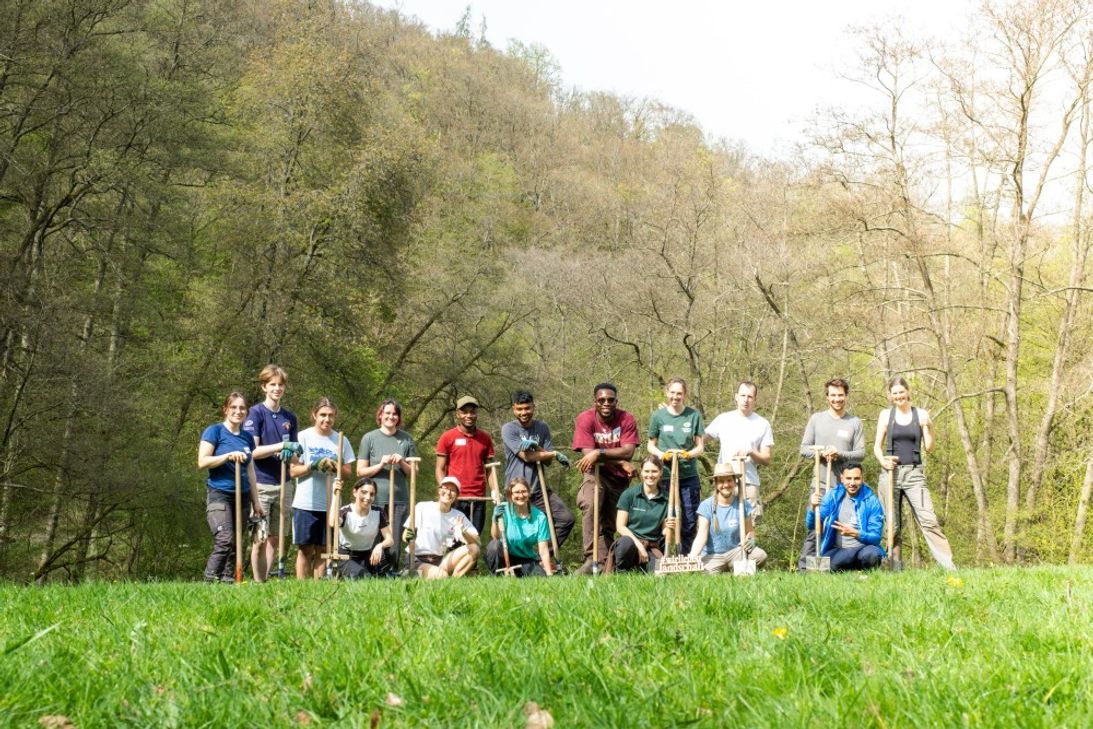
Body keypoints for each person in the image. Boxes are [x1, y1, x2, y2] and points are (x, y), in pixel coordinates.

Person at [873, 376, 956, 570]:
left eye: (902, 392)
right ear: (890, 395)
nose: (899, 396)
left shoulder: (920, 414)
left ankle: (948, 567)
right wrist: (882, 460)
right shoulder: (886, 415)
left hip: (914, 475)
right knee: (892, 525)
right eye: (895, 393)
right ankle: (894, 568)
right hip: (890, 475)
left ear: (908, 391)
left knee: (929, 520)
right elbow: (877, 447)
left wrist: (930, 426)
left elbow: (929, 447)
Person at [796, 377, 866, 571]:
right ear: (827, 396)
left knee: (841, 528)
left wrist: (840, 453)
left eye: (841, 395)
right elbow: (803, 449)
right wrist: (821, 451)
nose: (837, 399)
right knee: (815, 526)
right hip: (820, 483)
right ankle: (805, 569)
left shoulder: (854, 422)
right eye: (833, 395)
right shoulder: (816, 420)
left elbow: (860, 453)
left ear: (846, 396)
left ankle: (837, 567)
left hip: (846, 487)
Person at [572, 383, 640, 574]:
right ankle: (590, 558)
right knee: (591, 503)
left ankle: (605, 564)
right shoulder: (585, 419)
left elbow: (628, 451)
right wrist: (619, 462)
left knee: (611, 522)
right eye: (601, 400)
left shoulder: (626, 418)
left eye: (611, 400)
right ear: (595, 402)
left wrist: (599, 451)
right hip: (595, 473)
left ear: (616, 401)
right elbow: (588, 455)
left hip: (619, 479)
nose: (606, 403)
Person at [198, 392, 266, 583]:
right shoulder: (215, 431)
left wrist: (256, 501)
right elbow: (202, 462)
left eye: (242, 408)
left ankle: (229, 582)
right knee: (225, 539)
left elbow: (251, 471)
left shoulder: (246, 437)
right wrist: (227, 456)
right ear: (226, 409)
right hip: (220, 495)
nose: (238, 411)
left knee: (237, 544)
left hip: (243, 497)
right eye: (234, 407)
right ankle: (210, 580)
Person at [242, 364, 299, 582]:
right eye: (272, 385)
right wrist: (278, 448)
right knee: (260, 538)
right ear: (264, 387)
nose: (277, 389)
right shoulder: (255, 414)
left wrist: (299, 456)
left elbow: (293, 455)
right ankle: (258, 582)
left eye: (280, 385)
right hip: (261, 485)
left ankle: (265, 580)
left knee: (275, 538)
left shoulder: (289, 418)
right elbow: (253, 451)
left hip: (284, 483)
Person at [500, 390, 575, 555]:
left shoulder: (542, 427)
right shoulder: (508, 429)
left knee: (566, 518)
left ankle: (544, 556)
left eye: (527, 408)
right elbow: (526, 456)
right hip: (515, 491)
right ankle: (517, 562)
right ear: (514, 409)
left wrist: (537, 446)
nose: (523, 413)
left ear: (534, 407)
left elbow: (546, 461)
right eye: (519, 409)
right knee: (514, 531)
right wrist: (554, 454)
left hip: (538, 489)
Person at [289, 398, 355, 579]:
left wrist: (336, 467)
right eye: (323, 415)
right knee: (305, 548)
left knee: (324, 548)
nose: (327, 419)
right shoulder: (303, 437)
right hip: (305, 502)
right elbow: (293, 471)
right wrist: (313, 465)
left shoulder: (341, 440)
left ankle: (317, 588)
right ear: (314, 415)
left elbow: (348, 472)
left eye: (331, 416)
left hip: (330, 504)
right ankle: (301, 587)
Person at [357, 399, 418, 570]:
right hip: (373, 500)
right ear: (381, 415)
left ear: (398, 417)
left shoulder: (406, 439)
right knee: (373, 539)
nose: (391, 417)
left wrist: (403, 462)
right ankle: (372, 573)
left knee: (395, 542)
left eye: (395, 414)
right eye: (388, 413)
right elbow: (360, 471)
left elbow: (414, 472)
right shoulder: (369, 438)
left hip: (399, 500)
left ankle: (392, 573)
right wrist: (380, 465)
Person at [646, 377, 705, 554]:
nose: (675, 396)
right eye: (672, 392)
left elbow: (700, 447)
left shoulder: (693, 416)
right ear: (667, 393)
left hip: (688, 475)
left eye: (679, 393)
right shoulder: (658, 416)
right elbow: (650, 445)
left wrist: (688, 454)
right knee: (665, 517)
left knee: (688, 519)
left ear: (684, 395)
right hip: (664, 475)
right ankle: (661, 556)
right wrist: (661, 454)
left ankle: (687, 557)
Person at [704, 381, 773, 520]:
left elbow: (767, 458)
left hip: (749, 482)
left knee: (749, 529)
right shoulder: (723, 419)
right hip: (724, 480)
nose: (745, 400)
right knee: (721, 522)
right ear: (736, 396)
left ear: (755, 399)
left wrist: (751, 452)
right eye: (742, 395)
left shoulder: (763, 424)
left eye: (749, 396)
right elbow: (700, 439)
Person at [688, 462, 767, 573]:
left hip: (736, 553)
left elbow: (750, 531)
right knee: (704, 573)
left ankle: (735, 568)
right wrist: (692, 557)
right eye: (721, 481)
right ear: (715, 484)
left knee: (760, 556)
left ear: (735, 482)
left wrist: (751, 540)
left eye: (729, 480)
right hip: (713, 555)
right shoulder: (706, 506)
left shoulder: (743, 504)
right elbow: (701, 536)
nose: (725, 485)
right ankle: (721, 569)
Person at [805, 462, 885, 572]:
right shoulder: (832, 497)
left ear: (862, 478)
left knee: (872, 555)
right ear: (842, 479)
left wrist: (855, 533)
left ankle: (865, 572)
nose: (852, 483)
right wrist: (813, 509)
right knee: (829, 566)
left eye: (856, 478)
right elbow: (811, 525)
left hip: (863, 548)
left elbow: (875, 538)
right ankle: (850, 569)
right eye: (848, 478)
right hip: (839, 550)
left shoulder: (872, 501)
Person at [435, 395, 497, 536]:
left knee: (474, 538)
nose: (469, 415)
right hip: (456, 498)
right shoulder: (447, 437)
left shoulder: (485, 438)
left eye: (472, 412)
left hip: (478, 498)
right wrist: (445, 490)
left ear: (476, 414)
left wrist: (494, 489)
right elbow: (440, 468)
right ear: (458, 414)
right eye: (464, 412)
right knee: (453, 540)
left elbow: (490, 468)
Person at [403, 476, 480, 579]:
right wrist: (408, 536)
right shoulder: (422, 507)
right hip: (416, 559)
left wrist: (463, 531)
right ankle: (409, 574)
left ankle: (454, 581)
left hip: (440, 561)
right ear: (439, 491)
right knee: (442, 576)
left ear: (456, 496)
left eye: (452, 490)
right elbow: (404, 536)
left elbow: (477, 541)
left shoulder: (458, 516)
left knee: (474, 549)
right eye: (445, 488)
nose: (448, 492)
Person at [611, 456, 676, 573]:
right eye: (647, 471)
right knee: (625, 543)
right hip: (630, 544)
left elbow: (665, 531)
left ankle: (641, 569)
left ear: (661, 473)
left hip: (651, 547)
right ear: (641, 472)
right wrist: (639, 546)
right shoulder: (629, 494)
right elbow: (620, 527)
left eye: (654, 471)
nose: (650, 475)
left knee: (659, 575)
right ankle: (621, 572)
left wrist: (670, 528)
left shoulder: (668, 499)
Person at [485, 478, 555, 577]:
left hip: (525, 559)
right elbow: (495, 537)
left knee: (540, 577)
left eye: (524, 491)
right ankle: (496, 576)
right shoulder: (503, 509)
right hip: (505, 556)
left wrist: (549, 573)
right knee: (494, 546)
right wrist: (495, 520)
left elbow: (543, 550)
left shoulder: (540, 517)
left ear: (529, 493)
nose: (521, 495)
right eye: (517, 492)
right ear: (510, 495)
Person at [332, 477, 394, 579]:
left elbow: (390, 540)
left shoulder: (378, 512)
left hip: (367, 555)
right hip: (346, 556)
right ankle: (340, 572)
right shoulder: (346, 512)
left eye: (372, 494)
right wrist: (335, 495)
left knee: (391, 555)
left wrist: (379, 546)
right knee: (364, 577)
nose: (368, 497)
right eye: (364, 492)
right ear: (355, 492)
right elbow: (332, 522)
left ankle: (378, 574)